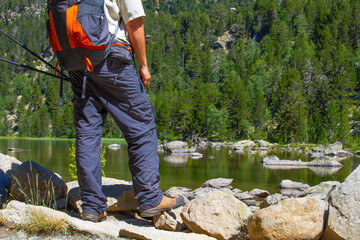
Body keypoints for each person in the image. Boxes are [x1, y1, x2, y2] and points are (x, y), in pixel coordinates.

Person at [70, 0, 184, 222]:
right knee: (142, 126)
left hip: (77, 61)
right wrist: (143, 65)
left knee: (87, 131)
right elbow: (134, 23)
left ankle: (92, 206)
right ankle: (150, 199)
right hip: (110, 57)